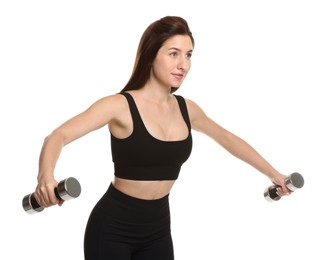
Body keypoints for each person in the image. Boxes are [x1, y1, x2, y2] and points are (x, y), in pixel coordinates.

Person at [34, 16, 291, 260]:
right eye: (173, 54)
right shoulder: (119, 105)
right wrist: (46, 176)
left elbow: (228, 140)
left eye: (189, 55)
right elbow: (58, 135)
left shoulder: (187, 109)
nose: (184, 64)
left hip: (157, 229)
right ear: (150, 56)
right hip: (112, 228)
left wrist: (274, 174)